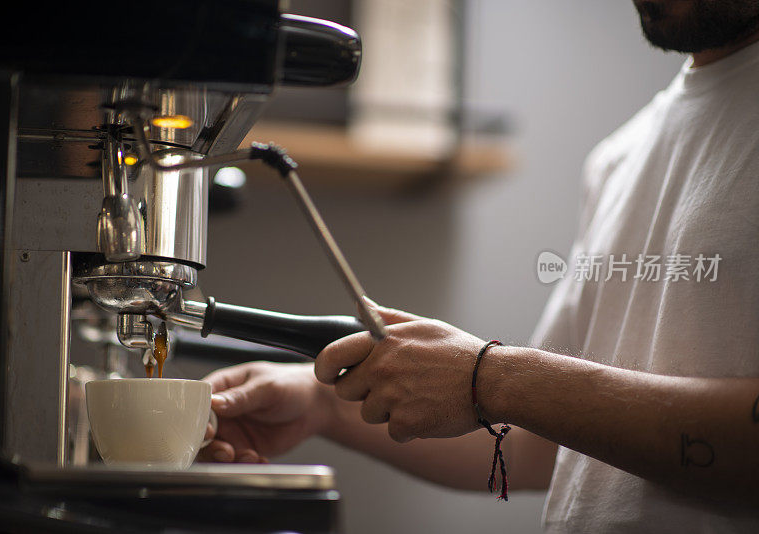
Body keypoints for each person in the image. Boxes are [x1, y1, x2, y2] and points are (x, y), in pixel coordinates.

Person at [200, 1, 759, 531]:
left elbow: (510, 393)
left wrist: (490, 377)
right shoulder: (622, 154)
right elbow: (544, 445)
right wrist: (320, 402)